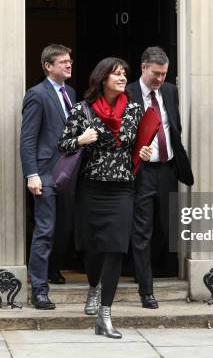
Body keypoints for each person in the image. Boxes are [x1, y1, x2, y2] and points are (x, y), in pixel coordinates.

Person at [58, 57, 152, 339]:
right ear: (103, 79)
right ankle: (93, 287)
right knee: (94, 248)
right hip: (91, 188)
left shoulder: (135, 110)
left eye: (125, 73)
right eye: (117, 74)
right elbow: (62, 145)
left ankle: (105, 315)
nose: (123, 78)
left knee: (115, 248)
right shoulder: (82, 110)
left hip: (122, 189)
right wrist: (80, 140)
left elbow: (138, 146)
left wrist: (144, 154)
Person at [126, 46, 194, 309]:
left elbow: (173, 129)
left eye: (164, 74)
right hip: (141, 172)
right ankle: (146, 289)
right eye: (156, 74)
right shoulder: (127, 93)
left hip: (166, 169)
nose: (160, 79)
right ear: (143, 67)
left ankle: (149, 269)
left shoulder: (170, 91)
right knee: (141, 230)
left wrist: (182, 165)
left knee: (166, 226)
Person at [21, 44, 76, 310]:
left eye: (69, 61)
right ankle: (39, 290)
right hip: (45, 173)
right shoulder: (37, 95)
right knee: (45, 231)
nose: (69, 65)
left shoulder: (71, 93)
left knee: (65, 228)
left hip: (69, 173)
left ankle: (53, 269)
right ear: (48, 66)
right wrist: (32, 174)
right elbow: (28, 139)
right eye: (63, 62)